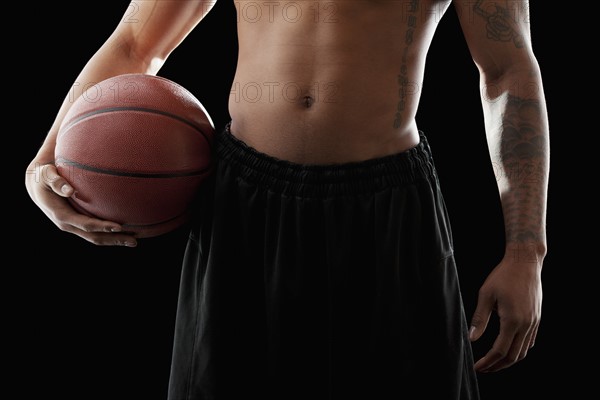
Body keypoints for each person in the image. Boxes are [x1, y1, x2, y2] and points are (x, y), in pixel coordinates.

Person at [25, 0, 548, 399]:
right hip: (244, 204)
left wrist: (527, 251)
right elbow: (137, 44)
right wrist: (49, 157)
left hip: (386, 208)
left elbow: (507, 71)